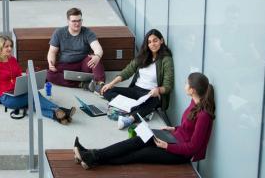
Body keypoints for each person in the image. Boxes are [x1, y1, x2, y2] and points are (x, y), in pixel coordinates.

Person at [73, 72, 215, 170]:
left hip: (179, 154)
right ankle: (90, 155)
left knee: (140, 153)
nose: (184, 85)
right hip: (173, 138)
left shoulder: (204, 116)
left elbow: (193, 147)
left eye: (186, 84)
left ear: (192, 90)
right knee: (137, 140)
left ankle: (90, 156)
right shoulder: (194, 103)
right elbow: (188, 128)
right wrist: (174, 129)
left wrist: (167, 146)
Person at [0, 35, 76, 124]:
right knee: (34, 95)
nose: (9, 48)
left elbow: (19, 76)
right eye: (6, 46)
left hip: (18, 91)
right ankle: (60, 110)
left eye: (10, 46)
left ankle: (57, 116)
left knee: (33, 101)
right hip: (7, 98)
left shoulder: (12, 60)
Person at [99, 29, 174, 130]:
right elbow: (127, 71)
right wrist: (111, 84)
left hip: (150, 94)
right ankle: (137, 109)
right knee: (107, 91)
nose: (152, 44)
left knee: (155, 100)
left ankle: (129, 119)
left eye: (155, 40)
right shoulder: (143, 56)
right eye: (149, 42)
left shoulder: (166, 59)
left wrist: (158, 90)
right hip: (135, 90)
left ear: (161, 40)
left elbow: (168, 86)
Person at [46, 8, 105, 88]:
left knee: (95, 59)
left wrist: (97, 56)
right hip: (65, 66)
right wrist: (51, 63)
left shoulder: (87, 32)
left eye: (79, 20)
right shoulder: (59, 32)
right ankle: (83, 84)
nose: (77, 23)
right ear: (68, 21)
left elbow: (98, 48)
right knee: (50, 75)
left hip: (83, 64)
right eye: (74, 21)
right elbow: (52, 52)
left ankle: (99, 85)